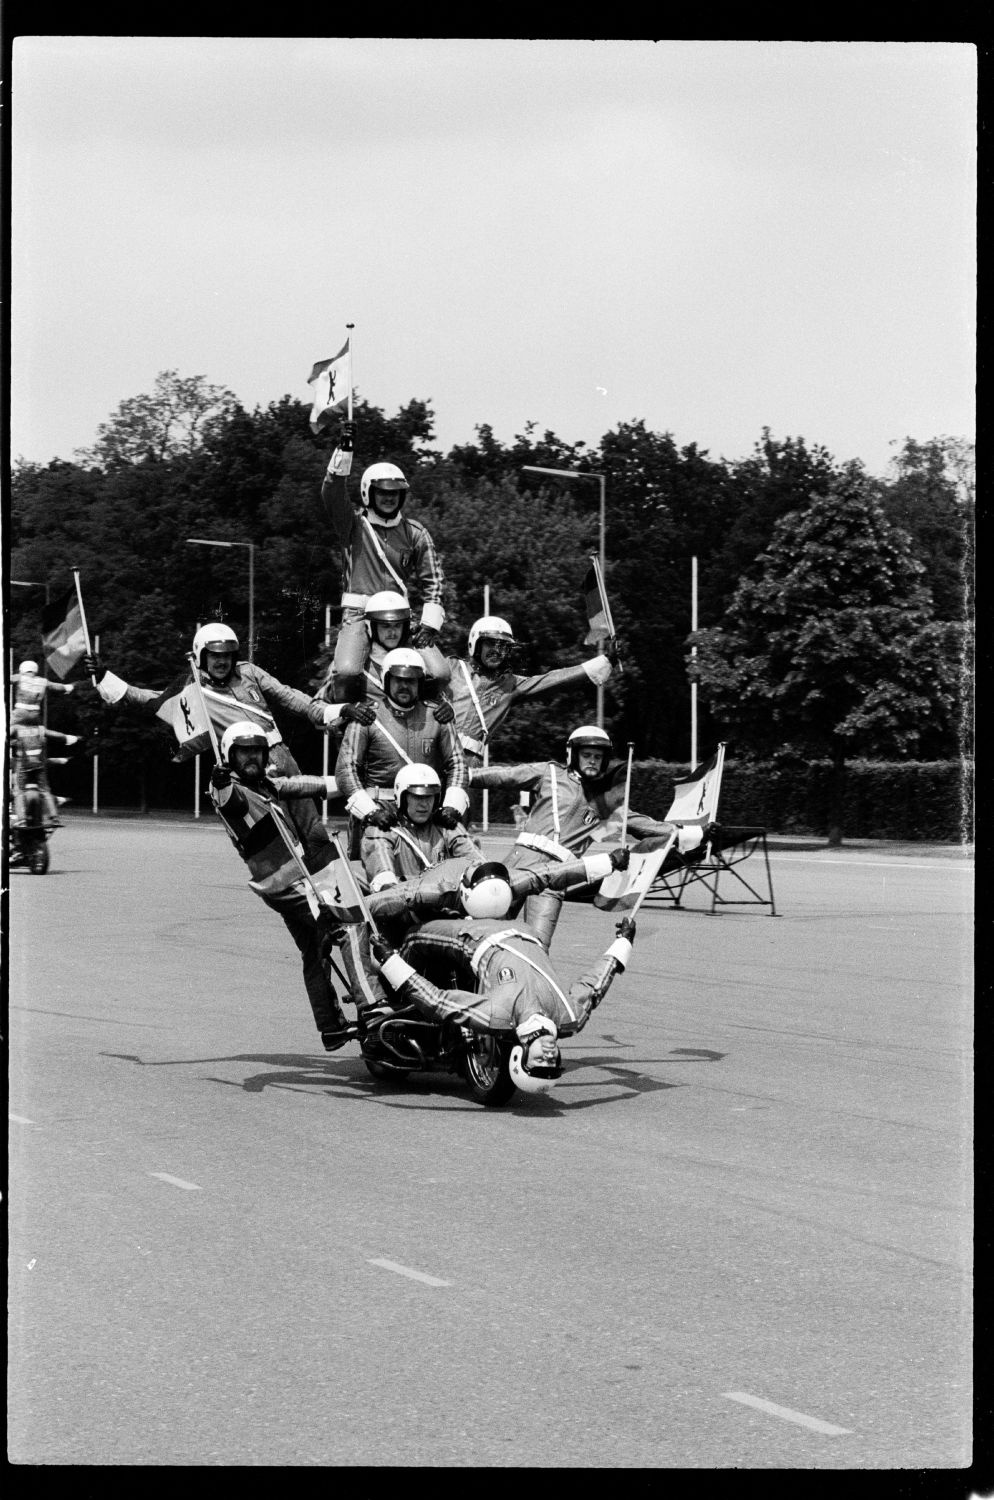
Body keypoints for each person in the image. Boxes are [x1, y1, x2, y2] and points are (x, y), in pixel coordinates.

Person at [84, 622, 375, 844]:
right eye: (214, 655)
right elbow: (149, 699)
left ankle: (336, 895)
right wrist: (105, 676)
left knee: (312, 829)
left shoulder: (249, 672)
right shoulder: (192, 692)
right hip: (247, 771)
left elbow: (291, 698)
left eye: (227, 655)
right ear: (201, 656)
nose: (222, 661)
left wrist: (340, 710)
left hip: (281, 756)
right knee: (277, 839)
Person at [207, 721, 388, 1050]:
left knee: (314, 948)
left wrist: (358, 788)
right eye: (243, 752)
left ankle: (330, 1026)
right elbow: (226, 800)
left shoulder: (267, 785)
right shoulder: (231, 789)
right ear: (228, 756)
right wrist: (220, 784)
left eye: (257, 752)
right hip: (289, 884)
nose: (252, 758)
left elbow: (309, 785)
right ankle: (372, 1007)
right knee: (349, 926)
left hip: (291, 882)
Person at [369, 879, 639, 1096]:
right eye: (552, 1063)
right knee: (543, 883)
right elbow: (595, 985)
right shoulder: (570, 1018)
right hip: (526, 931)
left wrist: (389, 960)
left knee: (414, 935)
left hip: (475, 939)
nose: (548, 1056)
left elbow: (437, 1001)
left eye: (539, 1062)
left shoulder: (498, 1016)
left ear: (519, 1057)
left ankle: (387, 1001)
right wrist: (623, 942)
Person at [469, 723, 688, 949]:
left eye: (598, 756)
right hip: (520, 861)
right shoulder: (550, 772)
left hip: (558, 875)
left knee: (537, 946)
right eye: (586, 755)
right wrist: (463, 777)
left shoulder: (606, 801)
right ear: (572, 754)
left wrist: (689, 832)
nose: (592, 760)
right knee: (485, 930)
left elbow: (644, 824)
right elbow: (505, 776)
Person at [320, 419, 445, 695]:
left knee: (439, 673)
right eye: (382, 493)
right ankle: (338, 712)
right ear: (368, 493)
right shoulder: (353, 526)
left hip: (399, 618)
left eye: (395, 493)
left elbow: (433, 582)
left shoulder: (416, 533)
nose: (389, 498)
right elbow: (331, 492)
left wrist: (429, 624)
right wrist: (344, 451)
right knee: (347, 671)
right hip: (360, 615)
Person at [335, 646, 469, 855]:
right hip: (380, 811)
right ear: (387, 680)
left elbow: (457, 764)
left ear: (420, 683)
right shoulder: (366, 716)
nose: (404, 686)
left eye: (411, 681)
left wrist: (452, 805)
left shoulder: (438, 716)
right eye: (398, 680)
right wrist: (370, 811)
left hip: (426, 810)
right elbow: (346, 770)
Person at [366, 844, 629, 949]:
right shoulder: (433, 891)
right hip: (417, 921)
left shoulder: (512, 882)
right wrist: (337, 913)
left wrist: (608, 861)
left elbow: (553, 873)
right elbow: (381, 901)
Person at [443, 615, 615, 769]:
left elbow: (554, 681)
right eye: (491, 644)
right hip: (434, 747)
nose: (497, 651)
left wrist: (605, 662)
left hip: (468, 762)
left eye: (503, 646)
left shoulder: (510, 684)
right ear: (476, 643)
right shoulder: (452, 667)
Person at [360, 762, 484, 892]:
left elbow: (477, 861)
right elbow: (381, 866)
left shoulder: (447, 827)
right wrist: (387, 885)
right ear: (402, 797)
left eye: (429, 797)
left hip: (445, 906)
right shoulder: (384, 830)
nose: (424, 804)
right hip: (402, 905)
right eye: (417, 797)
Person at [317, 590, 450, 706]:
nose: (392, 632)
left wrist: (446, 709)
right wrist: (344, 711)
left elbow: (441, 696)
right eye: (385, 626)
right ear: (372, 627)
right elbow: (318, 706)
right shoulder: (350, 662)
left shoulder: (418, 662)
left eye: (397, 626)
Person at [9, 703, 80, 827]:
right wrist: (69, 738)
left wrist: (13, 741)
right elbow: (55, 735)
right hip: (39, 765)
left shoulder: (17, 729)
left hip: (24, 765)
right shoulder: (40, 729)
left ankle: (22, 819)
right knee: (45, 791)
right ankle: (54, 817)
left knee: (18, 792)